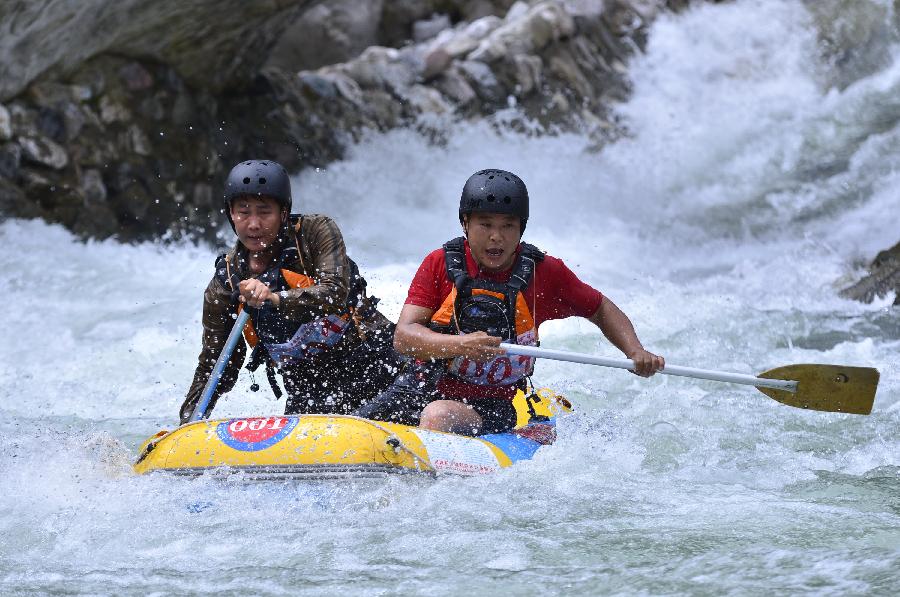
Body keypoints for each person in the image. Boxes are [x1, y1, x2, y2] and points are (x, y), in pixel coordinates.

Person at [356, 168, 664, 435]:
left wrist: (635, 351)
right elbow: (404, 338)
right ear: (465, 223)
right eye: (485, 224)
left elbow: (600, 308)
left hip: (495, 404)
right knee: (354, 427)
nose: (496, 237)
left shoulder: (545, 273)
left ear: (521, 229)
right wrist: (459, 346)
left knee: (437, 416)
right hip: (422, 387)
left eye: (508, 226)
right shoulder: (440, 263)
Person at [179, 159, 400, 424]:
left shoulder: (315, 233)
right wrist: (188, 422)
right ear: (230, 214)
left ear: (284, 213)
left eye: (264, 212)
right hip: (309, 388)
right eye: (243, 212)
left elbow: (334, 293)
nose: (253, 224)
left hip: (373, 363)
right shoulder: (226, 282)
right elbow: (216, 366)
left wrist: (274, 298)